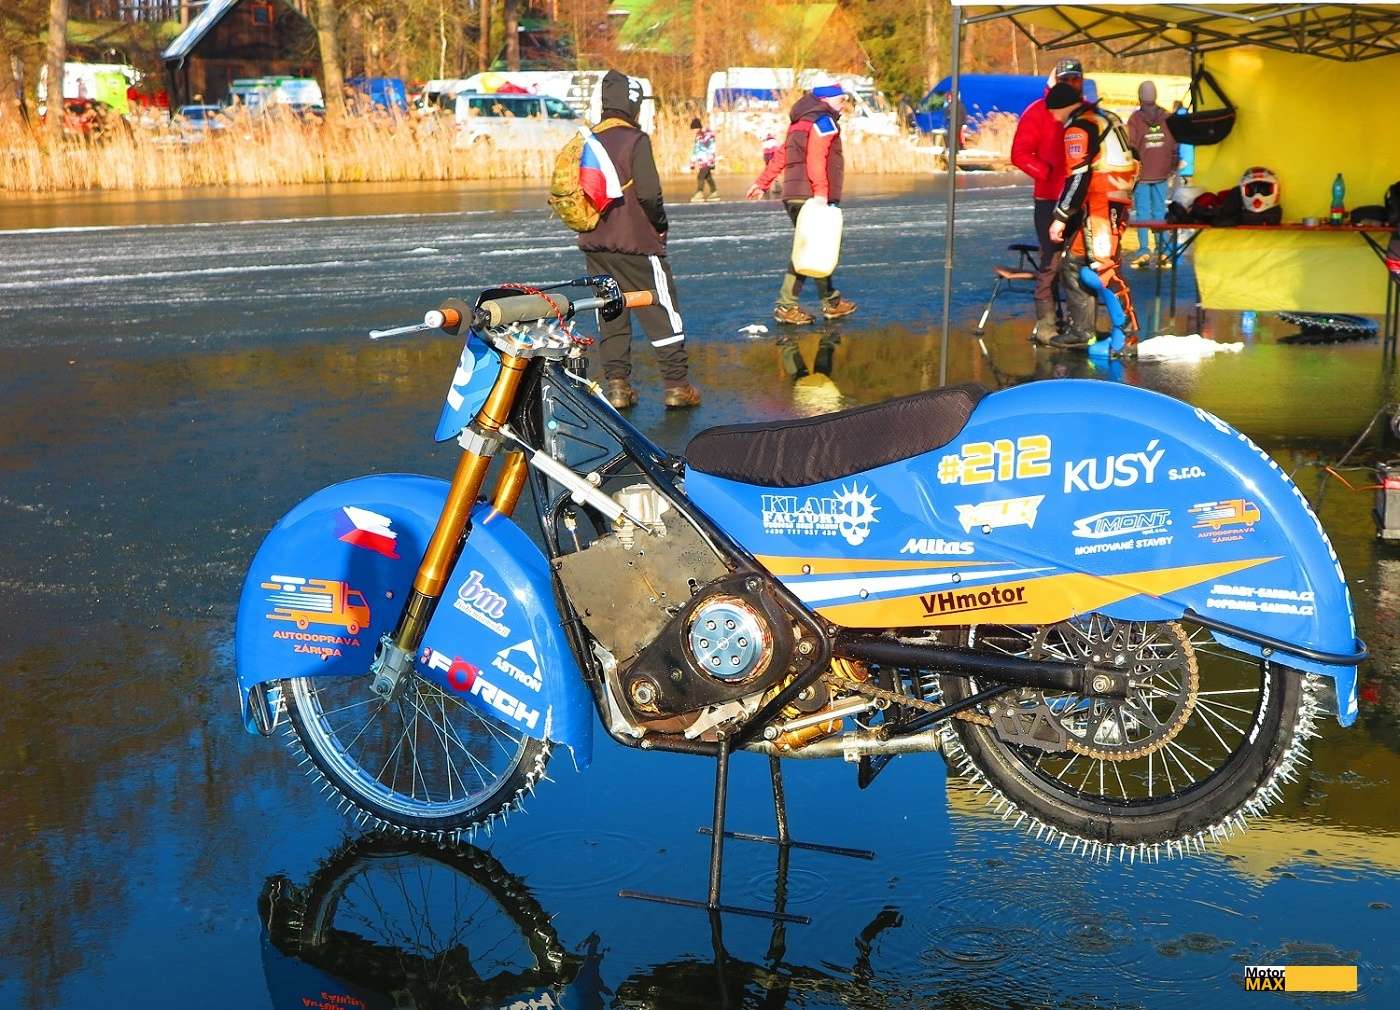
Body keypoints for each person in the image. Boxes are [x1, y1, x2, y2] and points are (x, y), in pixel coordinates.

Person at [579, 70, 701, 410]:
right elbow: (649, 194)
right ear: (631, 104)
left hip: (595, 243)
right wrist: (660, 225)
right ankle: (677, 386)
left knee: (611, 311)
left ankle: (618, 387)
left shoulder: (589, 140)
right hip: (637, 242)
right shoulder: (636, 140)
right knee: (661, 308)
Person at [745, 82, 858, 326]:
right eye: (841, 99)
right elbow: (816, 158)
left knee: (816, 247)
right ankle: (786, 305)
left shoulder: (799, 123)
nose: (844, 104)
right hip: (811, 196)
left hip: (793, 194)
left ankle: (831, 301)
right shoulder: (824, 122)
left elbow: (782, 155)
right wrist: (821, 194)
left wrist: (762, 183)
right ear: (826, 100)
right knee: (809, 250)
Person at [1045, 81, 1141, 352]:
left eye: (1052, 111)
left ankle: (1128, 336)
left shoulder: (1078, 128)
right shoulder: (1106, 117)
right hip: (1113, 198)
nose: (1053, 117)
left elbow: (1078, 177)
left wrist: (1061, 216)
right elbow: (1135, 157)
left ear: (1060, 107)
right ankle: (1081, 331)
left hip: (1101, 205)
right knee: (1073, 264)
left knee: (1103, 268)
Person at [1011, 58, 1084, 343]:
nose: (1072, 84)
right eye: (1066, 80)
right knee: (1051, 262)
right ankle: (1048, 325)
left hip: (1081, 199)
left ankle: (1080, 327)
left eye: (1076, 79)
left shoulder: (1088, 111)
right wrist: (1047, 172)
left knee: (1080, 263)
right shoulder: (1038, 111)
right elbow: (1019, 154)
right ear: (1055, 82)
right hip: (1049, 199)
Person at [1127, 81, 1179, 269]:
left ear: (1139, 97)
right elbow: (1175, 144)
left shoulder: (1135, 119)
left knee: (1143, 213)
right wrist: (1172, 165)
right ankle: (1163, 251)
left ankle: (1144, 251)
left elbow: (1131, 146)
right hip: (1162, 172)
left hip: (1142, 174)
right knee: (1159, 212)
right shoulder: (1167, 117)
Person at [689, 117, 719, 202]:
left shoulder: (708, 135)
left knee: (700, 176)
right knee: (708, 176)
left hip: (707, 160)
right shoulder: (698, 136)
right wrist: (692, 162)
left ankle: (699, 193)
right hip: (702, 160)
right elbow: (696, 150)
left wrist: (710, 159)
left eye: (694, 129)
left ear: (697, 127)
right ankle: (714, 192)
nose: (694, 131)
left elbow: (711, 147)